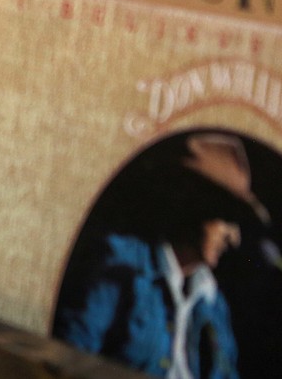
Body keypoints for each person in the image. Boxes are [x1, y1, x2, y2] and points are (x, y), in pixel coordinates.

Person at [53, 132, 270, 379]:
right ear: (196, 206)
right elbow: (69, 359)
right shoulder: (120, 265)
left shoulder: (214, 303)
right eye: (226, 219)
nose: (234, 238)